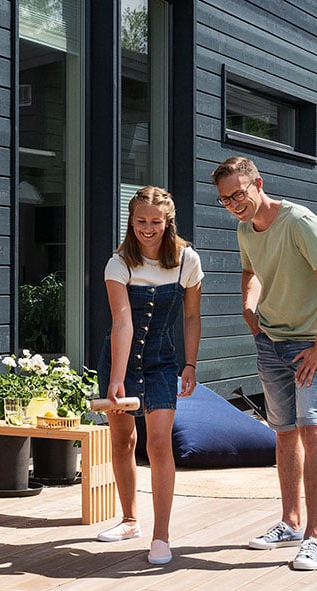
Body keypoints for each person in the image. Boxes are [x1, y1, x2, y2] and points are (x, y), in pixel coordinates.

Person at [212, 156, 317, 571]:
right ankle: (290, 523)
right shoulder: (244, 229)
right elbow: (250, 272)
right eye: (225, 199)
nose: (234, 203)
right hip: (270, 344)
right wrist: (248, 308)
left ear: (258, 183)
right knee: (284, 433)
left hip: (310, 345)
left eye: (239, 193)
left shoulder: (300, 222)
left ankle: (314, 536)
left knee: (313, 431)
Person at [94, 186, 203, 565]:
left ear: (167, 221)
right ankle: (128, 520)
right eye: (140, 221)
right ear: (131, 220)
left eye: (155, 221)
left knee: (159, 444)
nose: (147, 228)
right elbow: (122, 322)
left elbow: (191, 317)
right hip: (120, 359)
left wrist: (190, 364)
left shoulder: (188, 261)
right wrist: (116, 377)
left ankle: (162, 536)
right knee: (123, 441)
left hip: (161, 361)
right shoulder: (119, 263)